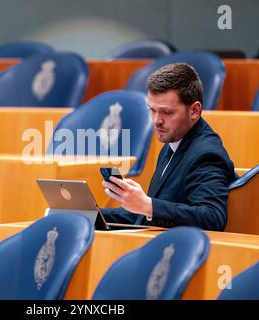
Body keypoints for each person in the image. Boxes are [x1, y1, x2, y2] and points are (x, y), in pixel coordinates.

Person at [101, 63, 236, 231]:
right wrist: (91, 215)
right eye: (152, 110)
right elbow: (145, 216)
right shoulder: (173, 142)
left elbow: (212, 217)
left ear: (194, 110)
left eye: (167, 112)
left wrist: (148, 205)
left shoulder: (206, 154)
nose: (156, 120)